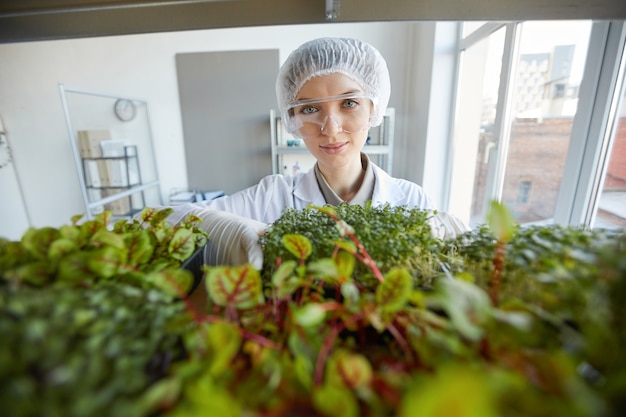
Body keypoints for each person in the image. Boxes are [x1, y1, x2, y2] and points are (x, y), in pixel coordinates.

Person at [166, 37, 465, 269]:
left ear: (374, 108)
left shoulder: (412, 200)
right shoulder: (270, 197)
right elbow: (167, 219)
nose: (331, 129)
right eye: (310, 109)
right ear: (292, 119)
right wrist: (240, 230)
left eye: (348, 103)